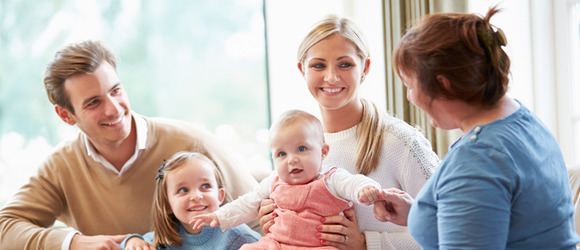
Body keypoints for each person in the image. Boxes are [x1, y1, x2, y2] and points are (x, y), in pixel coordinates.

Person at [0, 40, 259, 250]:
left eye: (115, 91)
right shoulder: (61, 167)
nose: (114, 109)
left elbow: (264, 216)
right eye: (93, 103)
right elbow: (5, 227)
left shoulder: (194, 144)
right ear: (66, 115)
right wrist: (74, 242)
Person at [373, 7, 580, 249]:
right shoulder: (522, 119)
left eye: (410, 85)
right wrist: (423, 215)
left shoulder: (478, 160)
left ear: (444, 85)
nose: (410, 98)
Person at [259, 15, 440, 249]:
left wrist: (368, 244)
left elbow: (451, 230)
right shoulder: (295, 143)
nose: (331, 77)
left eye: (345, 64)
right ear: (302, 69)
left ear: (365, 67)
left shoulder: (400, 142)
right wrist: (276, 222)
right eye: (318, 65)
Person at [191, 109, 382, 249]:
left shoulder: (332, 179)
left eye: (301, 149)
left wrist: (366, 189)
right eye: (282, 154)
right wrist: (218, 216)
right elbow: (247, 203)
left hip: (319, 246)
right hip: (277, 244)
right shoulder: (274, 181)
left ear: (323, 152)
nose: (292, 160)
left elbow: (354, 183)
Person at [119, 151, 260, 250]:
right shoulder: (167, 239)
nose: (196, 196)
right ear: (167, 204)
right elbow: (136, 243)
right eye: (183, 190)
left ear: (219, 196)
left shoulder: (240, 238)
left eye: (205, 186)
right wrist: (132, 241)